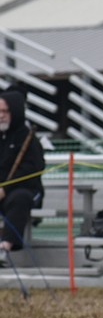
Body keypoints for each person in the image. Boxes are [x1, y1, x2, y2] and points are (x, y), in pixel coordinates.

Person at [0, 89, 45, 267]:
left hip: (24, 192)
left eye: (5, 111)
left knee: (20, 198)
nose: (1, 116)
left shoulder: (28, 139)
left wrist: (5, 189)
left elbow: (32, 170)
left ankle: (5, 246)